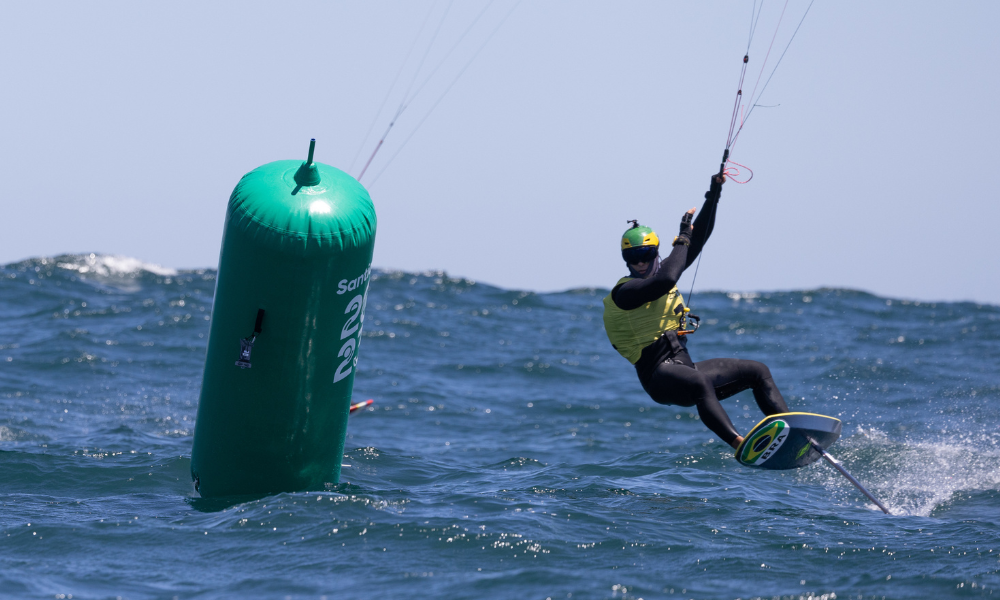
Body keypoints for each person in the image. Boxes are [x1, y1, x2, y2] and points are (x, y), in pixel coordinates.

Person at [601, 173, 789, 450]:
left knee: (757, 371)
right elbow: (666, 279)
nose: (640, 263)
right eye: (632, 258)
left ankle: (791, 432)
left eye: (646, 255)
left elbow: (697, 240)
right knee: (700, 382)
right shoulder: (625, 293)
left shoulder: (666, 270)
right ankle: (740, 444)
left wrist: (713, 195)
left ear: (656, 253)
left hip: (683, 367)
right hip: (659, 377)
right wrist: (683, 238)